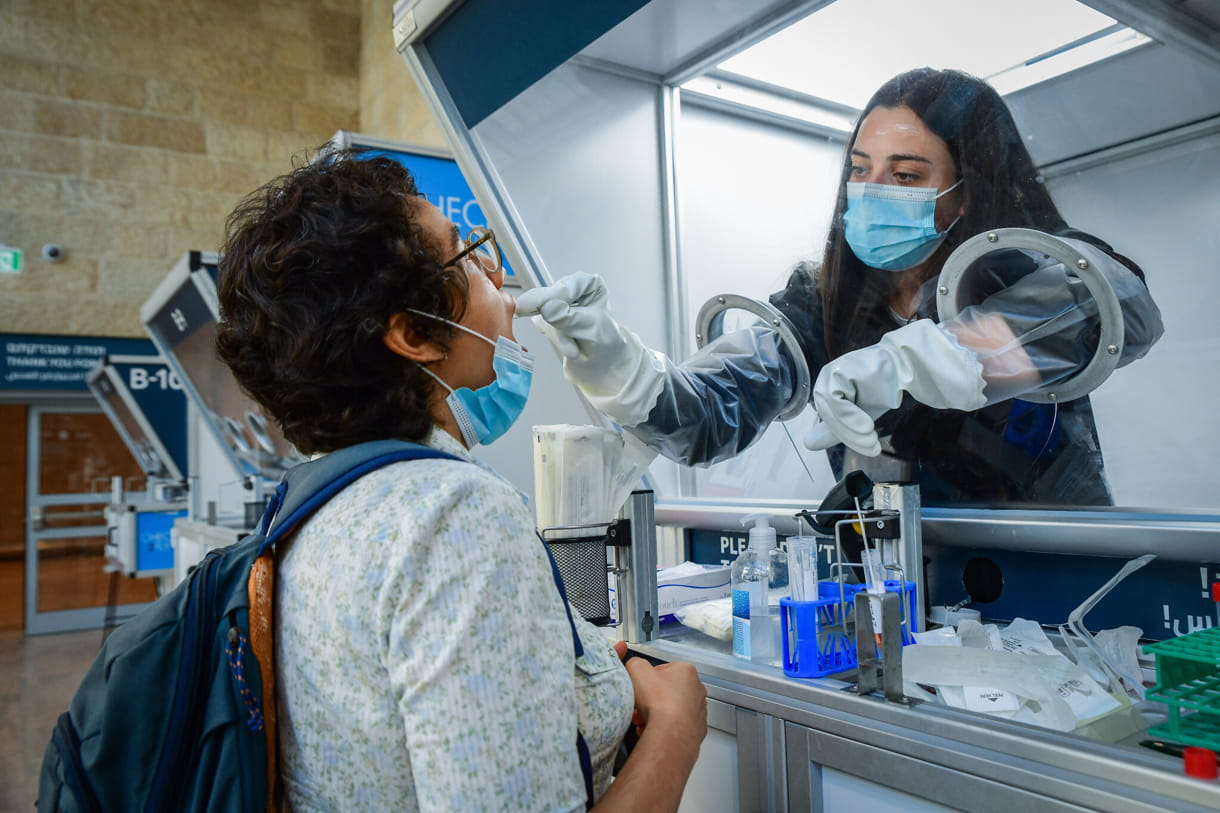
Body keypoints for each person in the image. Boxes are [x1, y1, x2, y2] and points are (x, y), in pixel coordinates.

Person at [214, 147, 707, 811]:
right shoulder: (456, 517)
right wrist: (676, 724)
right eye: (466, 255)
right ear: (415, 336)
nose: (497, 274)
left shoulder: (316, 502)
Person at [517, 68, 1164, 507]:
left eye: (906, 176)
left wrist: (934, 358)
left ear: (967, 190)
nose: (875, 190)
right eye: (862, 170)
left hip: (1048, 581)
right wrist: (621, 368)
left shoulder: (1027, 271)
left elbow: (1119, 306)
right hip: (889, 583)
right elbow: (714, 410)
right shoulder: (824, 304)